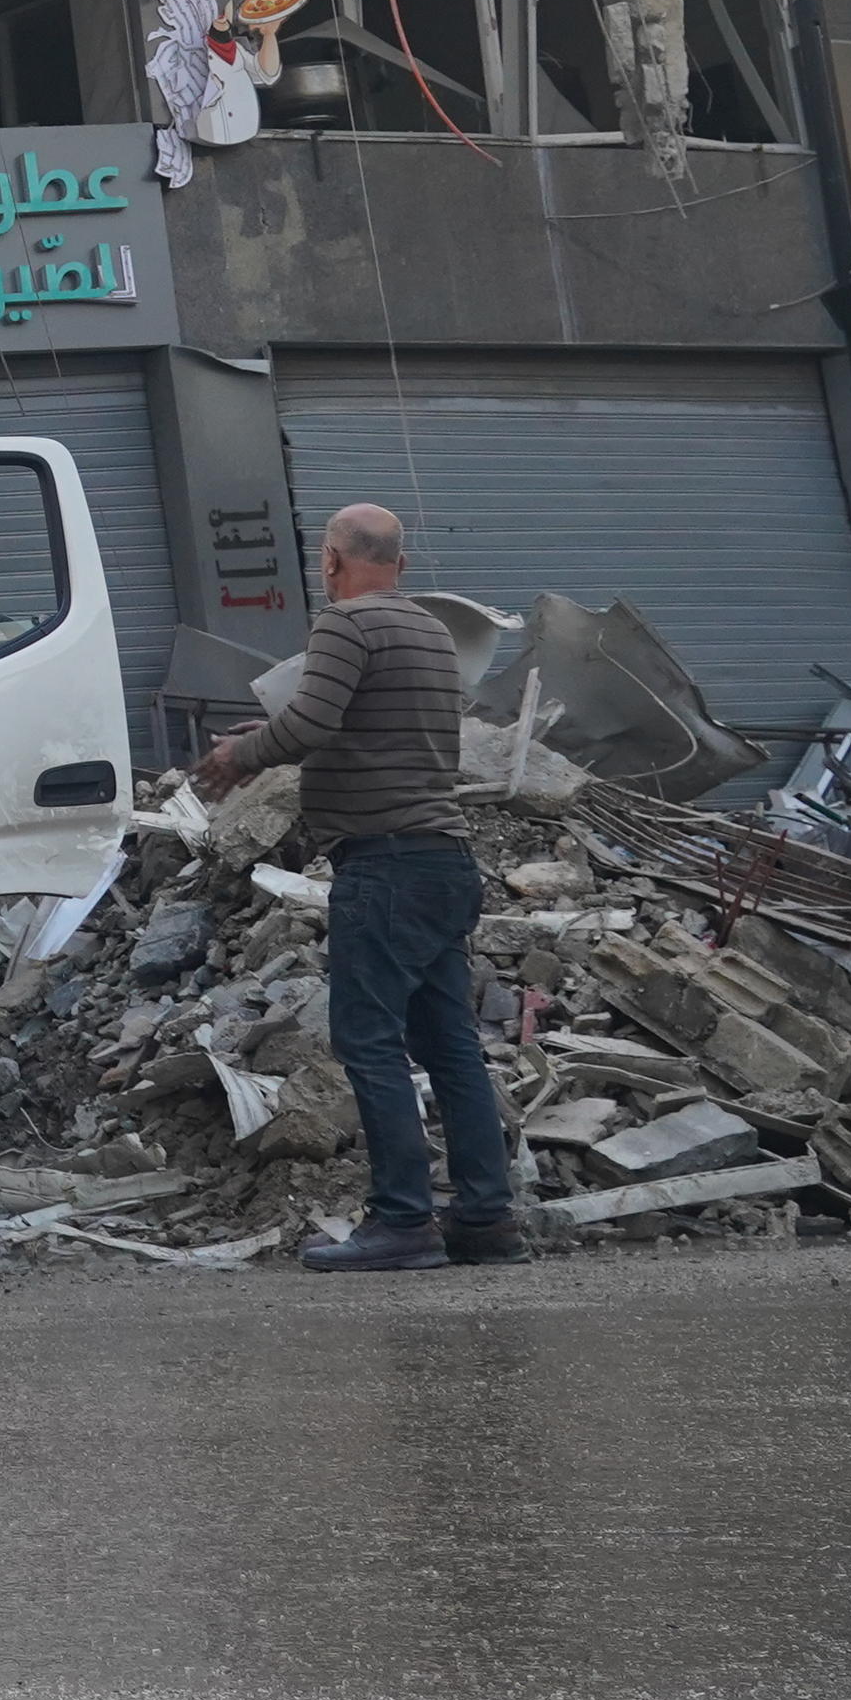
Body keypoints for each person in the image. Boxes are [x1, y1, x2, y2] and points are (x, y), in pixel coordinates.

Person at [184, 501, 522, 1274]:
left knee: (367, 1038)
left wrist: (241, 754)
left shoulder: (347, 624)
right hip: (444, 862)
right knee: (450, 1046)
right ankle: (486, 1217)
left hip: (387, 864)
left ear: (330, 561)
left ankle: (403, 1219)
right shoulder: (433, 632)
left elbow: (310, 722)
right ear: (399, 564)